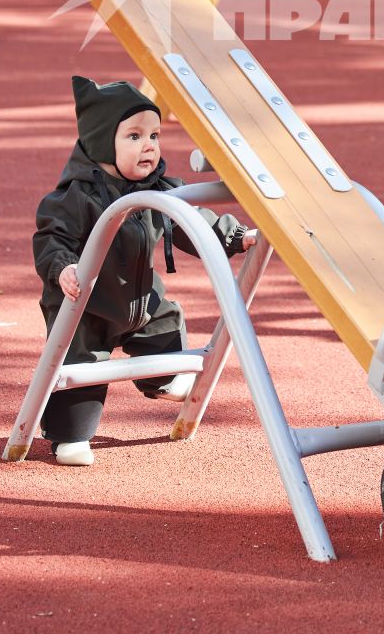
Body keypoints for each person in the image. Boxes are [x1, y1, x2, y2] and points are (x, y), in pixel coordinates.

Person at [32, 78, 255, 466]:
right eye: (133, 136)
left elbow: (190, 220)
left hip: (140, 302)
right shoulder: (76, 197)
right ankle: (70, 436)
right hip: (86, 306)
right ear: (103, 143)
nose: (149, 145)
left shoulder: (158, 189)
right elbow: (52, 236)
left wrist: (234, 236)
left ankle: (162, 379)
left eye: (154, 134)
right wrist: (62, 267)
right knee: (78, 364)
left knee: (166, 320)